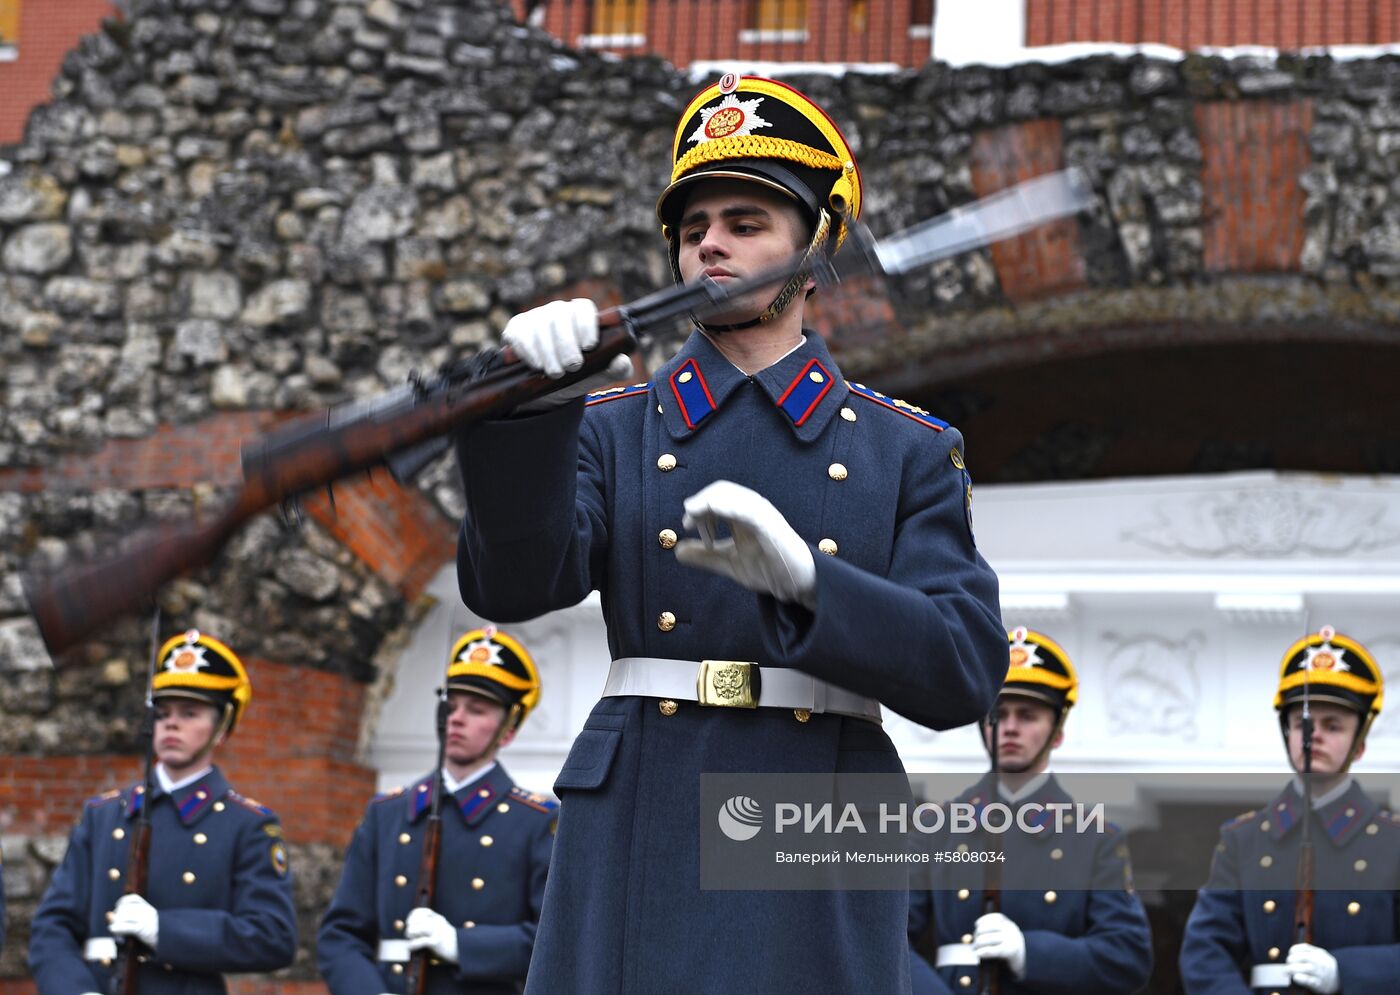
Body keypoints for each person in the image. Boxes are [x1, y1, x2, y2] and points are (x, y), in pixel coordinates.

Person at [453, 74, 1006, 992]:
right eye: (692, 226)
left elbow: (963, 671)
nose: (709, 242)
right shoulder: (613, 426)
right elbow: (513, 585)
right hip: (644, 796)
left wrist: (810, 588)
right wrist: (523, 415)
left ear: (818, 244)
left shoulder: (905, 449)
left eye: (746, 222)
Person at [29, 628, 297, 994]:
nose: (171, 723)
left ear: (221, 729)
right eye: (163, 712)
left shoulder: (246, 825)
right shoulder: (105, 815)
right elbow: (52, 927)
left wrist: (164, 929)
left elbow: (273, 936)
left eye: (190, 712)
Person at [908, 627, 1152, 993]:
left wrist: (1030, 952)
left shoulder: (1094, 838)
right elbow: (886, 936)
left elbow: (1128, 956)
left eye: (1027, 716)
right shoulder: (936, 827)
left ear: (1057, 732)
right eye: (998, 715)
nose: (1009, 728)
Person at [317, 626, 555, 994]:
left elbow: (555, 939)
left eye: (477, 710)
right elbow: (341, 934)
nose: (456, 718)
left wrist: (461, 945)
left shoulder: (538, 821)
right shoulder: (388, 813)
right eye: (451, 705)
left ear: (507, 731)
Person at [1180, 626, 1400, 993]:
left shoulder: (1392, 843)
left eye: (1333, 726)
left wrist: (1347, 971)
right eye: (1303, 724)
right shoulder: (1243, 840)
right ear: (1288, 735)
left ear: (1359, 745)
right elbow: (1205, 952)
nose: (1314, 736)